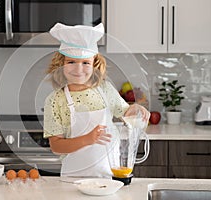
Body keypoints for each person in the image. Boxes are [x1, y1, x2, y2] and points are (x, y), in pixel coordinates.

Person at [43, 23, 150, 178]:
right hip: (74, 179)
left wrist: (137, 109)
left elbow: (126, 112)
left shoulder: (105, 89)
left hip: (109, 177)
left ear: (95, 64)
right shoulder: (55, 100)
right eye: (71, 62)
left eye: (85, 63)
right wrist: (88, 139)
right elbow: (56, 146)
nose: (78, 69)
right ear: (60, 64)